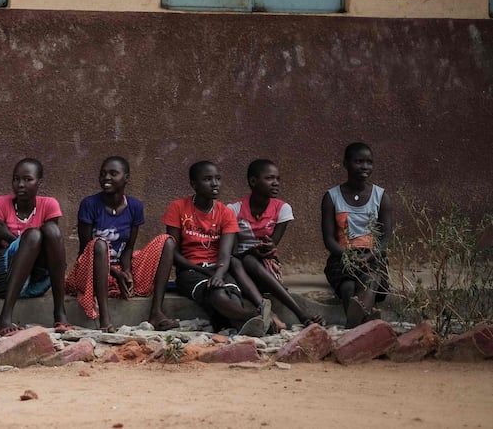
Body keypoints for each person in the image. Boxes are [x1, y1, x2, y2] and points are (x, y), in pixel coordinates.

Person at [64, 156, 180, 332]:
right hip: (90, 272)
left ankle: (156, 312)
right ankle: (105, 319)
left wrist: (125, 272)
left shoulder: (135, 206)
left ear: (126, 178)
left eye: (113, 173)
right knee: (100, 244)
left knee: (167, 242)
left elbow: (128, 248)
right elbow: (85, 250)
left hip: (117, 270)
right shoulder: (89, 204)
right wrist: (114, 273)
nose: (106, 178)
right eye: (103, 174)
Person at [163, 161, 268, 336]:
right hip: (189, 271)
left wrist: (218, 274)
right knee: (217, 294)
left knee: (233, 295)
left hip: (218, 267)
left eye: (217, 179)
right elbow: (173, 252)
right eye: (207, 179)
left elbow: (226, 253)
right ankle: (254, 316)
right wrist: (201, 270)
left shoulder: (225, 212)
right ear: (194, 184)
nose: (214, 183)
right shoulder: (178, 207)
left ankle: (240, 326)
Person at [226, 159, 322, 328]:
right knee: (245, 260)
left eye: (278, 179)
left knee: (251, 261)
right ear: (253, 181)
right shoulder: (234, 209)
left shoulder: (282, 209)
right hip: (238, 268)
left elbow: (272, 246)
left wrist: (263, 250)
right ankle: (296, 315)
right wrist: (250, 253)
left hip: (266, 268)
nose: (276, 183)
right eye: (270, 178)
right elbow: (232, 252)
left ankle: (290, 313)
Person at [0, 158, 70, 336]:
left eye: (27, 179)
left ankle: (59, 312)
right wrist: (23, 242)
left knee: (50, 231)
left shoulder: (49, 205)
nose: (20, 184)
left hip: (36, 285)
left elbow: (50, 250)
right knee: (34, 235)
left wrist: (8, 235)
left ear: (39, 182)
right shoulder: (0, 204)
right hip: (1, 282)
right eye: (16, 179)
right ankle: (4, 318)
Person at [321, 142, 394, 328]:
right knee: (347, 286)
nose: (365, 167)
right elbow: (329, 238)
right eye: (358, 161)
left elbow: (385, 238)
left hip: (373, 255)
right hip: (341, 256)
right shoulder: (331, 197)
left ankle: (354, 325)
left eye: (369, 162)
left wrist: (371, 254)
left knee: (370, 278)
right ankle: (363, 326)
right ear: (345, 164)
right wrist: (347, 255)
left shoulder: (381, 196)